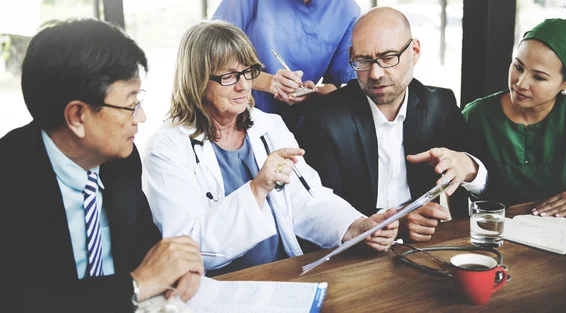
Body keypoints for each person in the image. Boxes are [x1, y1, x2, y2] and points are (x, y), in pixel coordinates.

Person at [143, 20, 399, 275]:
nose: (243, 85)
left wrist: (357, 226)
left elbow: (308, 201)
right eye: (229, 76)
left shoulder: (269, 126)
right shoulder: (167, 146)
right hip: (217, 286)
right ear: (197, 79)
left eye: (248, 72)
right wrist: (257, 189)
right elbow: (188, 249)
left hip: (281, 274)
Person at [0, 19, 204, 312]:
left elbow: (145, 248)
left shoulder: (120, 161)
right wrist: (136, 284)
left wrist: (178, 266)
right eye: (131, 103)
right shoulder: (8, 181)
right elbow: (24, 300)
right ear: (78, 117)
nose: (142, 117)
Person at [297, 7, 488, 242]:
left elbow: (489, 185)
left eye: (388, 58)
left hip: (428, 246)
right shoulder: (325, 116)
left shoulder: (440, 104)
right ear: (351, 57)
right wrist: (395, 223)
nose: (375, 73)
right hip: (354, 256)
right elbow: (321, 208)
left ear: (414, 51)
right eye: (364, 61)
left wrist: (469, 167)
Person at [463, 18, 566, 218]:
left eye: (539, 77)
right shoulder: (476, 116)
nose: (521, 83)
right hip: (496, 237)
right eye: (518, 67)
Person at [212, 0, 359, 129]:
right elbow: (213, 54)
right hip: (235, 113)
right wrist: (269, 82)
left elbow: (334, 87)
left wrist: (308, 92)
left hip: (295, 125)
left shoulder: (347, 10)